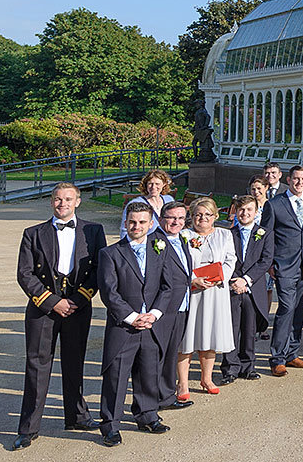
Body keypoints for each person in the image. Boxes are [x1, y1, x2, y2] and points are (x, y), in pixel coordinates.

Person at [12, 182, 106, 448]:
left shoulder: (93, 230)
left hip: (78, 307)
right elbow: (25, 273)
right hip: (43, 309)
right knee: (37, 366)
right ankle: (28, 428)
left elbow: (100, 269)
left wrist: (76, 300)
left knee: (75, 362)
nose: (62, 204)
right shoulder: (33, 233)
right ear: (51, 202)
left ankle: (76, 416)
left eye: (68, 199)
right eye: (57, 199)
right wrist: (52, 302)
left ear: (78, 201)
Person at [96, 202, 184, 445]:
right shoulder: (110, 254)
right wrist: (133, 317)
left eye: (142, 222)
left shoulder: (160, 249)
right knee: (116, 376)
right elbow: (109, 292)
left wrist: (154, 314)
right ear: (125, 223)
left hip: (151, 324)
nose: (137, 226)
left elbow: (169, 286)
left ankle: (147, 415)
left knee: (148, 372)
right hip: (124, 326)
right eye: (132, 222)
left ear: (151, 224)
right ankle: (110, 424)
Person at [261, 164, 303, 377]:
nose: (299, 183)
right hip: (283, 265)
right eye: (296, 179)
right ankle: (277, 358)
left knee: (299, 309)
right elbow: (266, 236)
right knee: (286, 308)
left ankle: (292, 353)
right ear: (288, 180)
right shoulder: (275, 204)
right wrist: (268, 264)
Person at [176, 197, 238, 393]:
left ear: (215, 216)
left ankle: (207, 379)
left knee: (209, 335)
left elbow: (230, 259)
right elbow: (177, 262)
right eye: (198, 214)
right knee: (187, 338)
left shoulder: (224, 235)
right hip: (191, 292)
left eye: (207, 214)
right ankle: (183, 383)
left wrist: (221, 278)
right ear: (191, 217)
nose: (202, 218)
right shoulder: (183, 235)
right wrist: (192, 279)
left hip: (215, 292)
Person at [150, 202, 197, 407]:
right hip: (163, 307)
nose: (176, 222)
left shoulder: (182, 239)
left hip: (182, 305)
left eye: (180, 218)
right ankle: (152, 399)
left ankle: (167, 396)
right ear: (161, 219)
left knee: (171, 354)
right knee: (157, 355)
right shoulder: (153, 242)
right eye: (171, 218)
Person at [222, 194, 271, 383]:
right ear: (236, 211)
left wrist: (246, 280)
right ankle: (230, 369)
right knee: (232, 329)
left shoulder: (265, 234)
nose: (245, 213)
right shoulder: (228, 233)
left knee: (249, 329)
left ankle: (248, 366)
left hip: (252, 288)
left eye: (249, 209)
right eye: (241, 209)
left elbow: (265, 260)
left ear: (256, 212)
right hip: (233, 287)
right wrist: (234, 280)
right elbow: (225, 258)